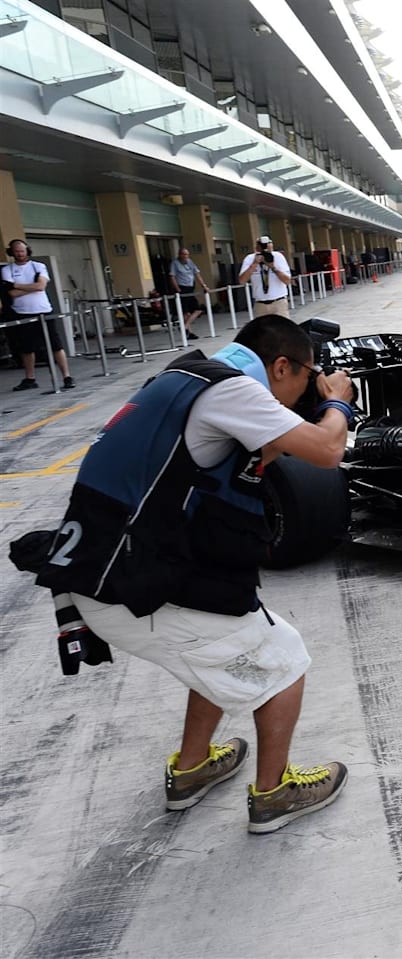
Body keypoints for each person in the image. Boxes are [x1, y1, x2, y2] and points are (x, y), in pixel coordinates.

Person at [35, 315, 353, 833]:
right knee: (284, 658)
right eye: (305, 378)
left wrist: (298, 416)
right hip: (135, 585)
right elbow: (327, 450)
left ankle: (190, 771)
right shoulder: (235, 393)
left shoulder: (186, 375)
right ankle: (274, 795)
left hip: (102, 572)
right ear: (281, 366)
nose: (301, 394)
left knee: (222, 644)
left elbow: (247, 457)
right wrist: (337, 402)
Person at [4, 238, 74, 391]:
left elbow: (41, 286)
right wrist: (31, 286)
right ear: (11, 252)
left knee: (56, 345)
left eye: (22, 251)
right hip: (22, 313)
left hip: (43, 310)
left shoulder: (38, 266)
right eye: (16, 251)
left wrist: (16, 285)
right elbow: (11, 293)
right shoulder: (6, 270)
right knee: (27, 348)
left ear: (27, 251)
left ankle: (67, 376)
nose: (20, 254)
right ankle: (30, 378)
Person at [238, 236, 292, 317]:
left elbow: (287, 281)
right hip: (260, 304)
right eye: (263, 247)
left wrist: (273, 267)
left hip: (278, 302)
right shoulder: (250, 258)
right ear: (256, 248)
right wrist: (254, 264)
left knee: (281, 328)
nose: (265, 251)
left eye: (268, 248)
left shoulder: (278, 257)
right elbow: (242, 281)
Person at [169, 246, 210, 338]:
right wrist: (177, 289)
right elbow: (172, 276)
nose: (185, 256)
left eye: (187, 254)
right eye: (183, 254)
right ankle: (188, 332)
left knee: (196, 310)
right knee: (187, 312)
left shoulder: (190, 262)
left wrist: (204, 286)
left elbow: (197, 274)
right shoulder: (175, 263)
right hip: (182, 288)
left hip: (190, 287)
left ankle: (185, 328)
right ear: (179, 255)